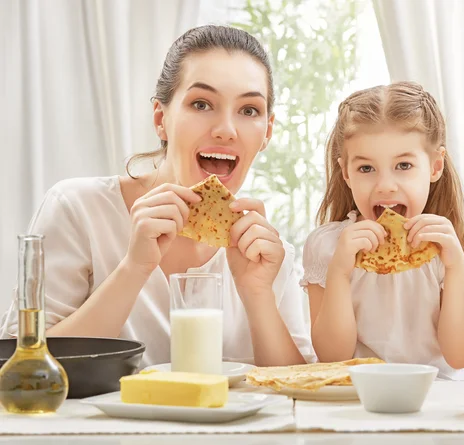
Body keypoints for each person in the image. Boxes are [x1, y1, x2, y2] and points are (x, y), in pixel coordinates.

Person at [1, 25, 315, 368]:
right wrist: (134, 268)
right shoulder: (79, 209)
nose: (226, 129)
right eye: (201, 103)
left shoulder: (268, 254)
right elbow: (23, 369)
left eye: (249, 110)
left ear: (266, 132)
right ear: (161, 119)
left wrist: (258, 295)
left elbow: (296, 396)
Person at [301, 82, 464, 379]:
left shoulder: (444, 245)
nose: (385, 185)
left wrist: (455, 267)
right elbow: (333, 357)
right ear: (346, 172)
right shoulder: (328, 246)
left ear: (435, 166)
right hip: (359, 397)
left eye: (403, 165)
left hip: (434, 396)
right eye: (366, 169)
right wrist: (339, 272)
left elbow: (461, 356)